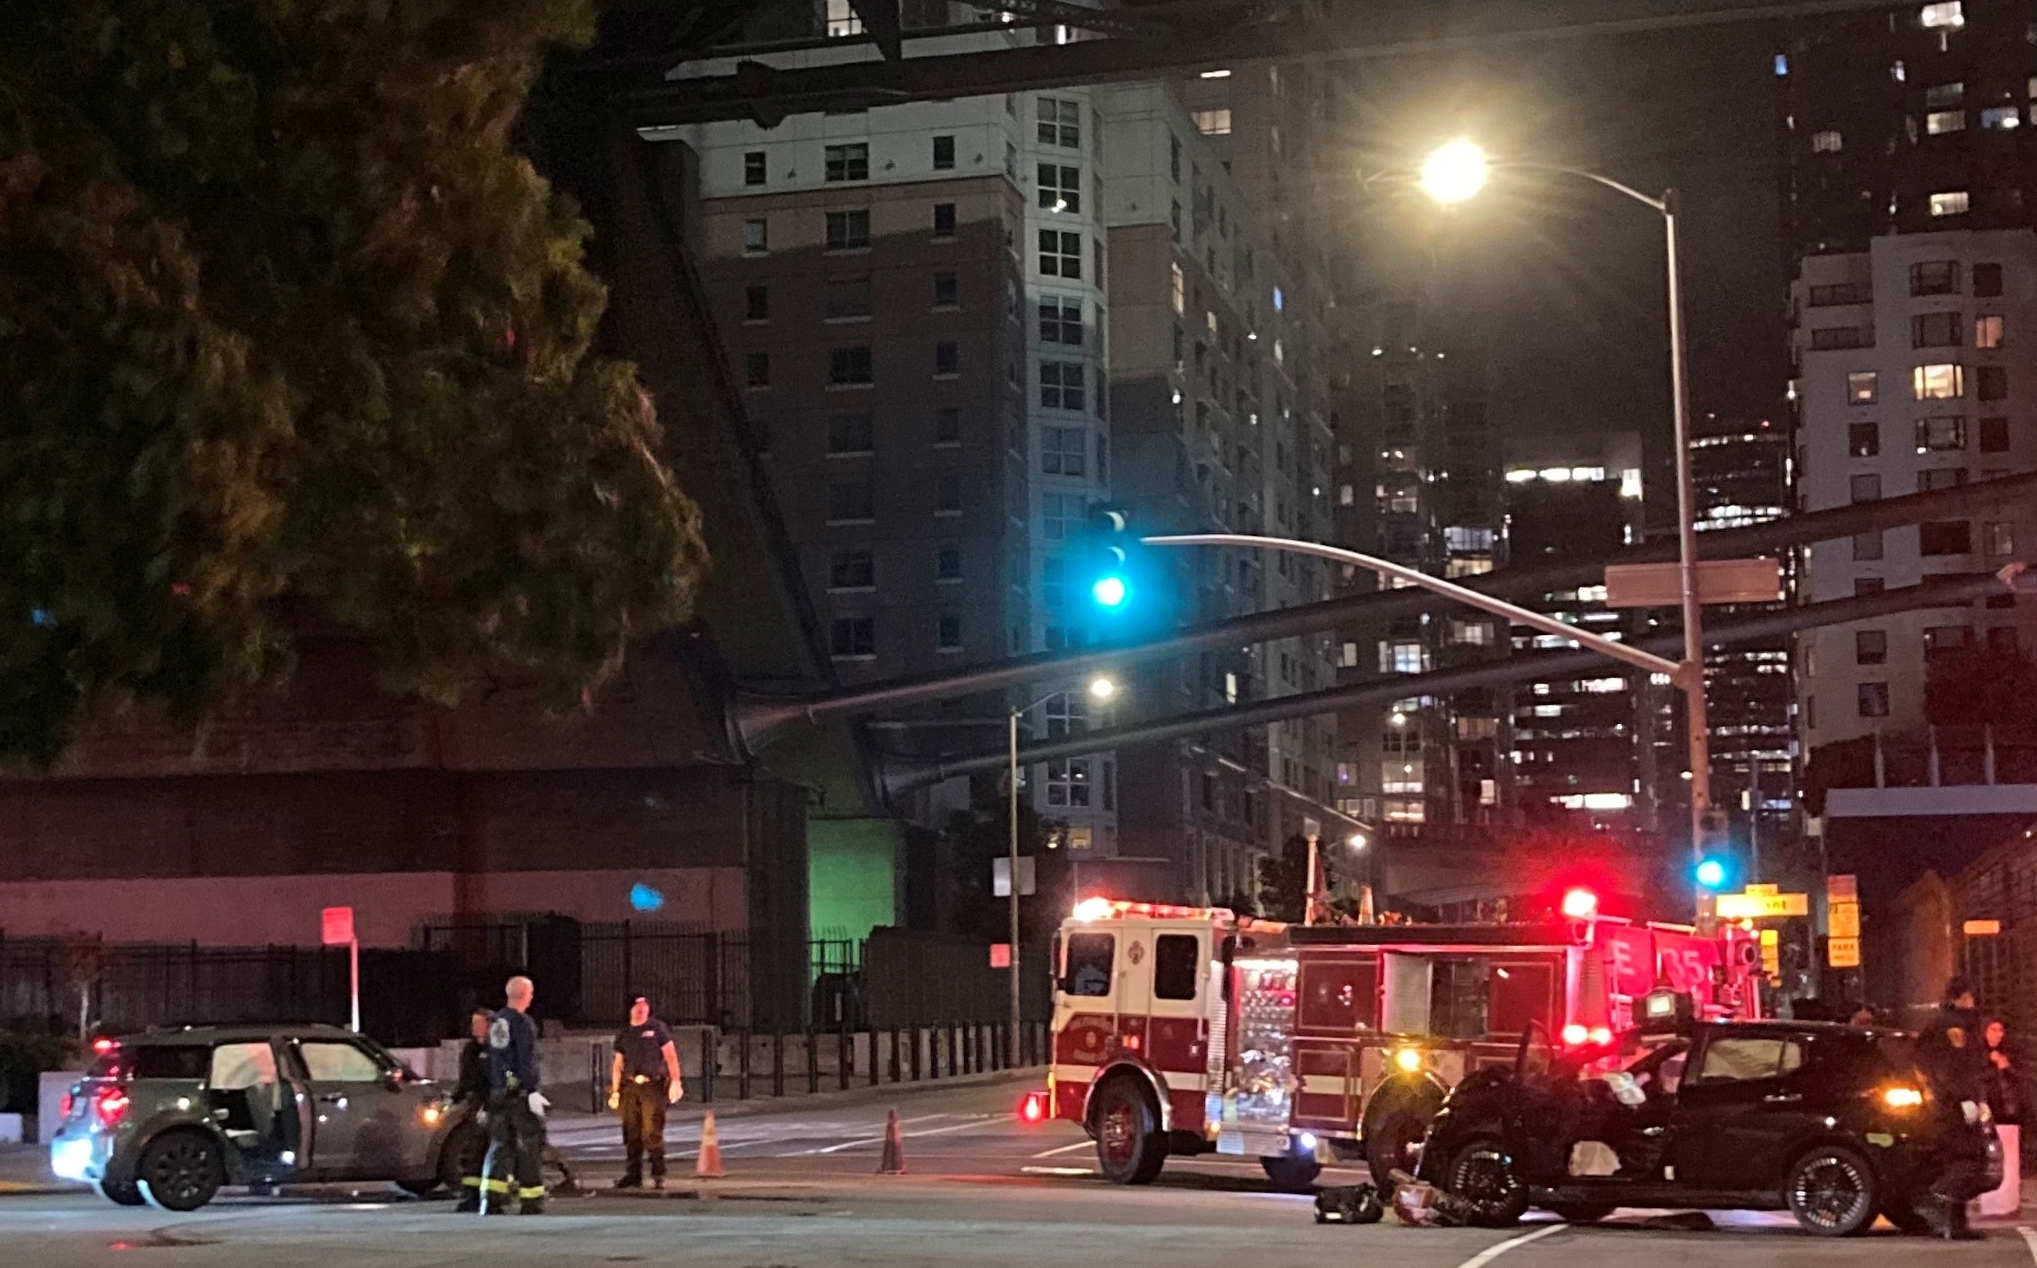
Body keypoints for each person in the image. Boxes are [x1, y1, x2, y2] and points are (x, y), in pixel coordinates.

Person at [1916, 976, 1990, 1239]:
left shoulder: (1942, 1023)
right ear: (1958, 998)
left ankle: (1956, 1225)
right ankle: (1935, 1196)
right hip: (1954, 1105)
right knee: (1971, 1160)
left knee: (1958, 1161)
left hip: (1944, 1104)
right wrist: (1966, 1099)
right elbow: (1956, 1068)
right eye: (1969, 997)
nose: (1972, 1002)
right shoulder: (1953, 1026)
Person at [478, 975, 550, 1215]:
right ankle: (532, 1200)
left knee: (500, 1145)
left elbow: (494, 1060)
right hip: (519, 1094)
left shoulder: (497, 1021)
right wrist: (532, 1090)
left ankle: (492, 1199)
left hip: (498, 1093)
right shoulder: (522, 1023)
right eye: (530, 993)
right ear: (524, 995)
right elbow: (525, 1059)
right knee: (529, 1144)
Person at [609, 995, 685, 1189]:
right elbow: (618, 1064)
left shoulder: (657, 1028)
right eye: (638, 1006)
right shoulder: (624, 1033)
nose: (642, 1009)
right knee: (631, 1132)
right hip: (630, 1087)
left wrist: (676, 1081)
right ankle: (633, 1175)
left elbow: (671, 1056)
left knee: (652, 1131)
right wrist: (616, 1091)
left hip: (653, 1086)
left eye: (645, 1006)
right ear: (630, 1010)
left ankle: (658, 1174)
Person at [453, 1008, 493, 1213]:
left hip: (490, 1105)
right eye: (473, 1023)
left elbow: (502, 1076)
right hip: (473, 1105)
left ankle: (491, 1196)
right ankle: (471, 1195)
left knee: (488, 1151)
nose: (474, 1027)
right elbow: (466, 1079)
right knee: (471, 1152)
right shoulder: (470, 1049)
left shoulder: (496, 1049)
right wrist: (454, 1099)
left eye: (479, 1023)